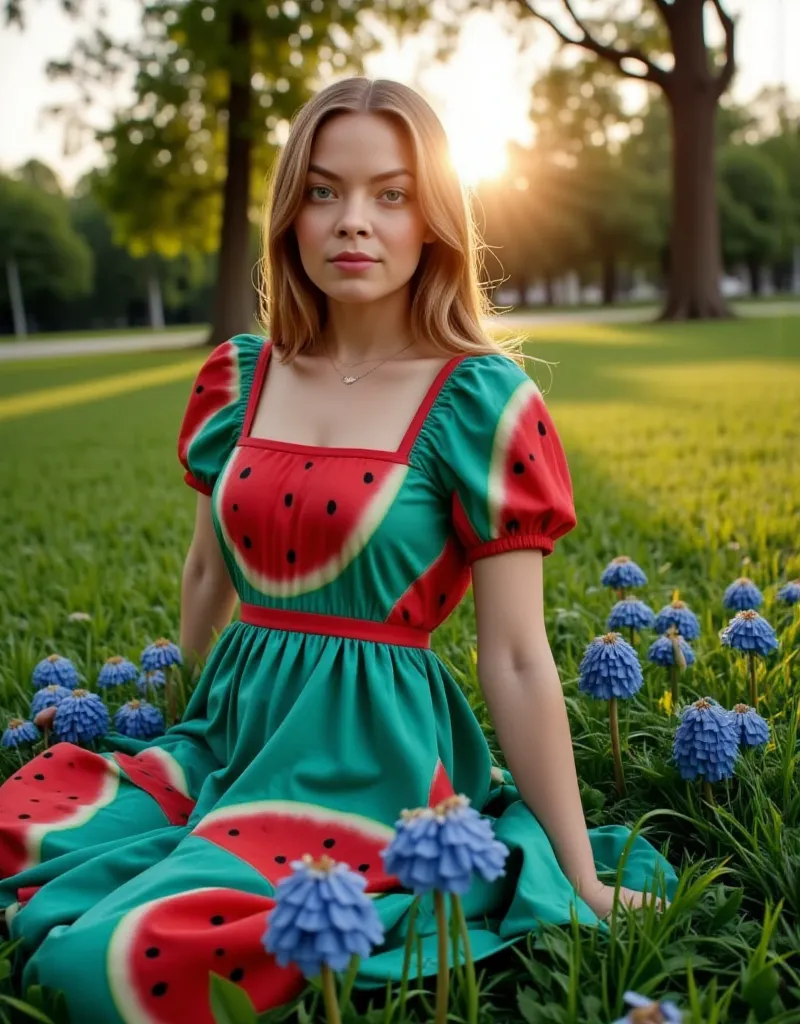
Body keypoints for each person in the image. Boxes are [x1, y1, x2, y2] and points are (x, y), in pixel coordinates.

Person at [0, 76, 677, 1021]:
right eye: (323, 190)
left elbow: (518, 655)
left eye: (390, 194)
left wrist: (579, 872)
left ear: (434, 217)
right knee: (26, 829)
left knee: (104, 965)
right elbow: (208, 571)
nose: (352, 220)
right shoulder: (239, 375)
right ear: (290, 212)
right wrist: (182, 730)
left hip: (371, 758)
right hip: (234, 729)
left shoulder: (480, 400)